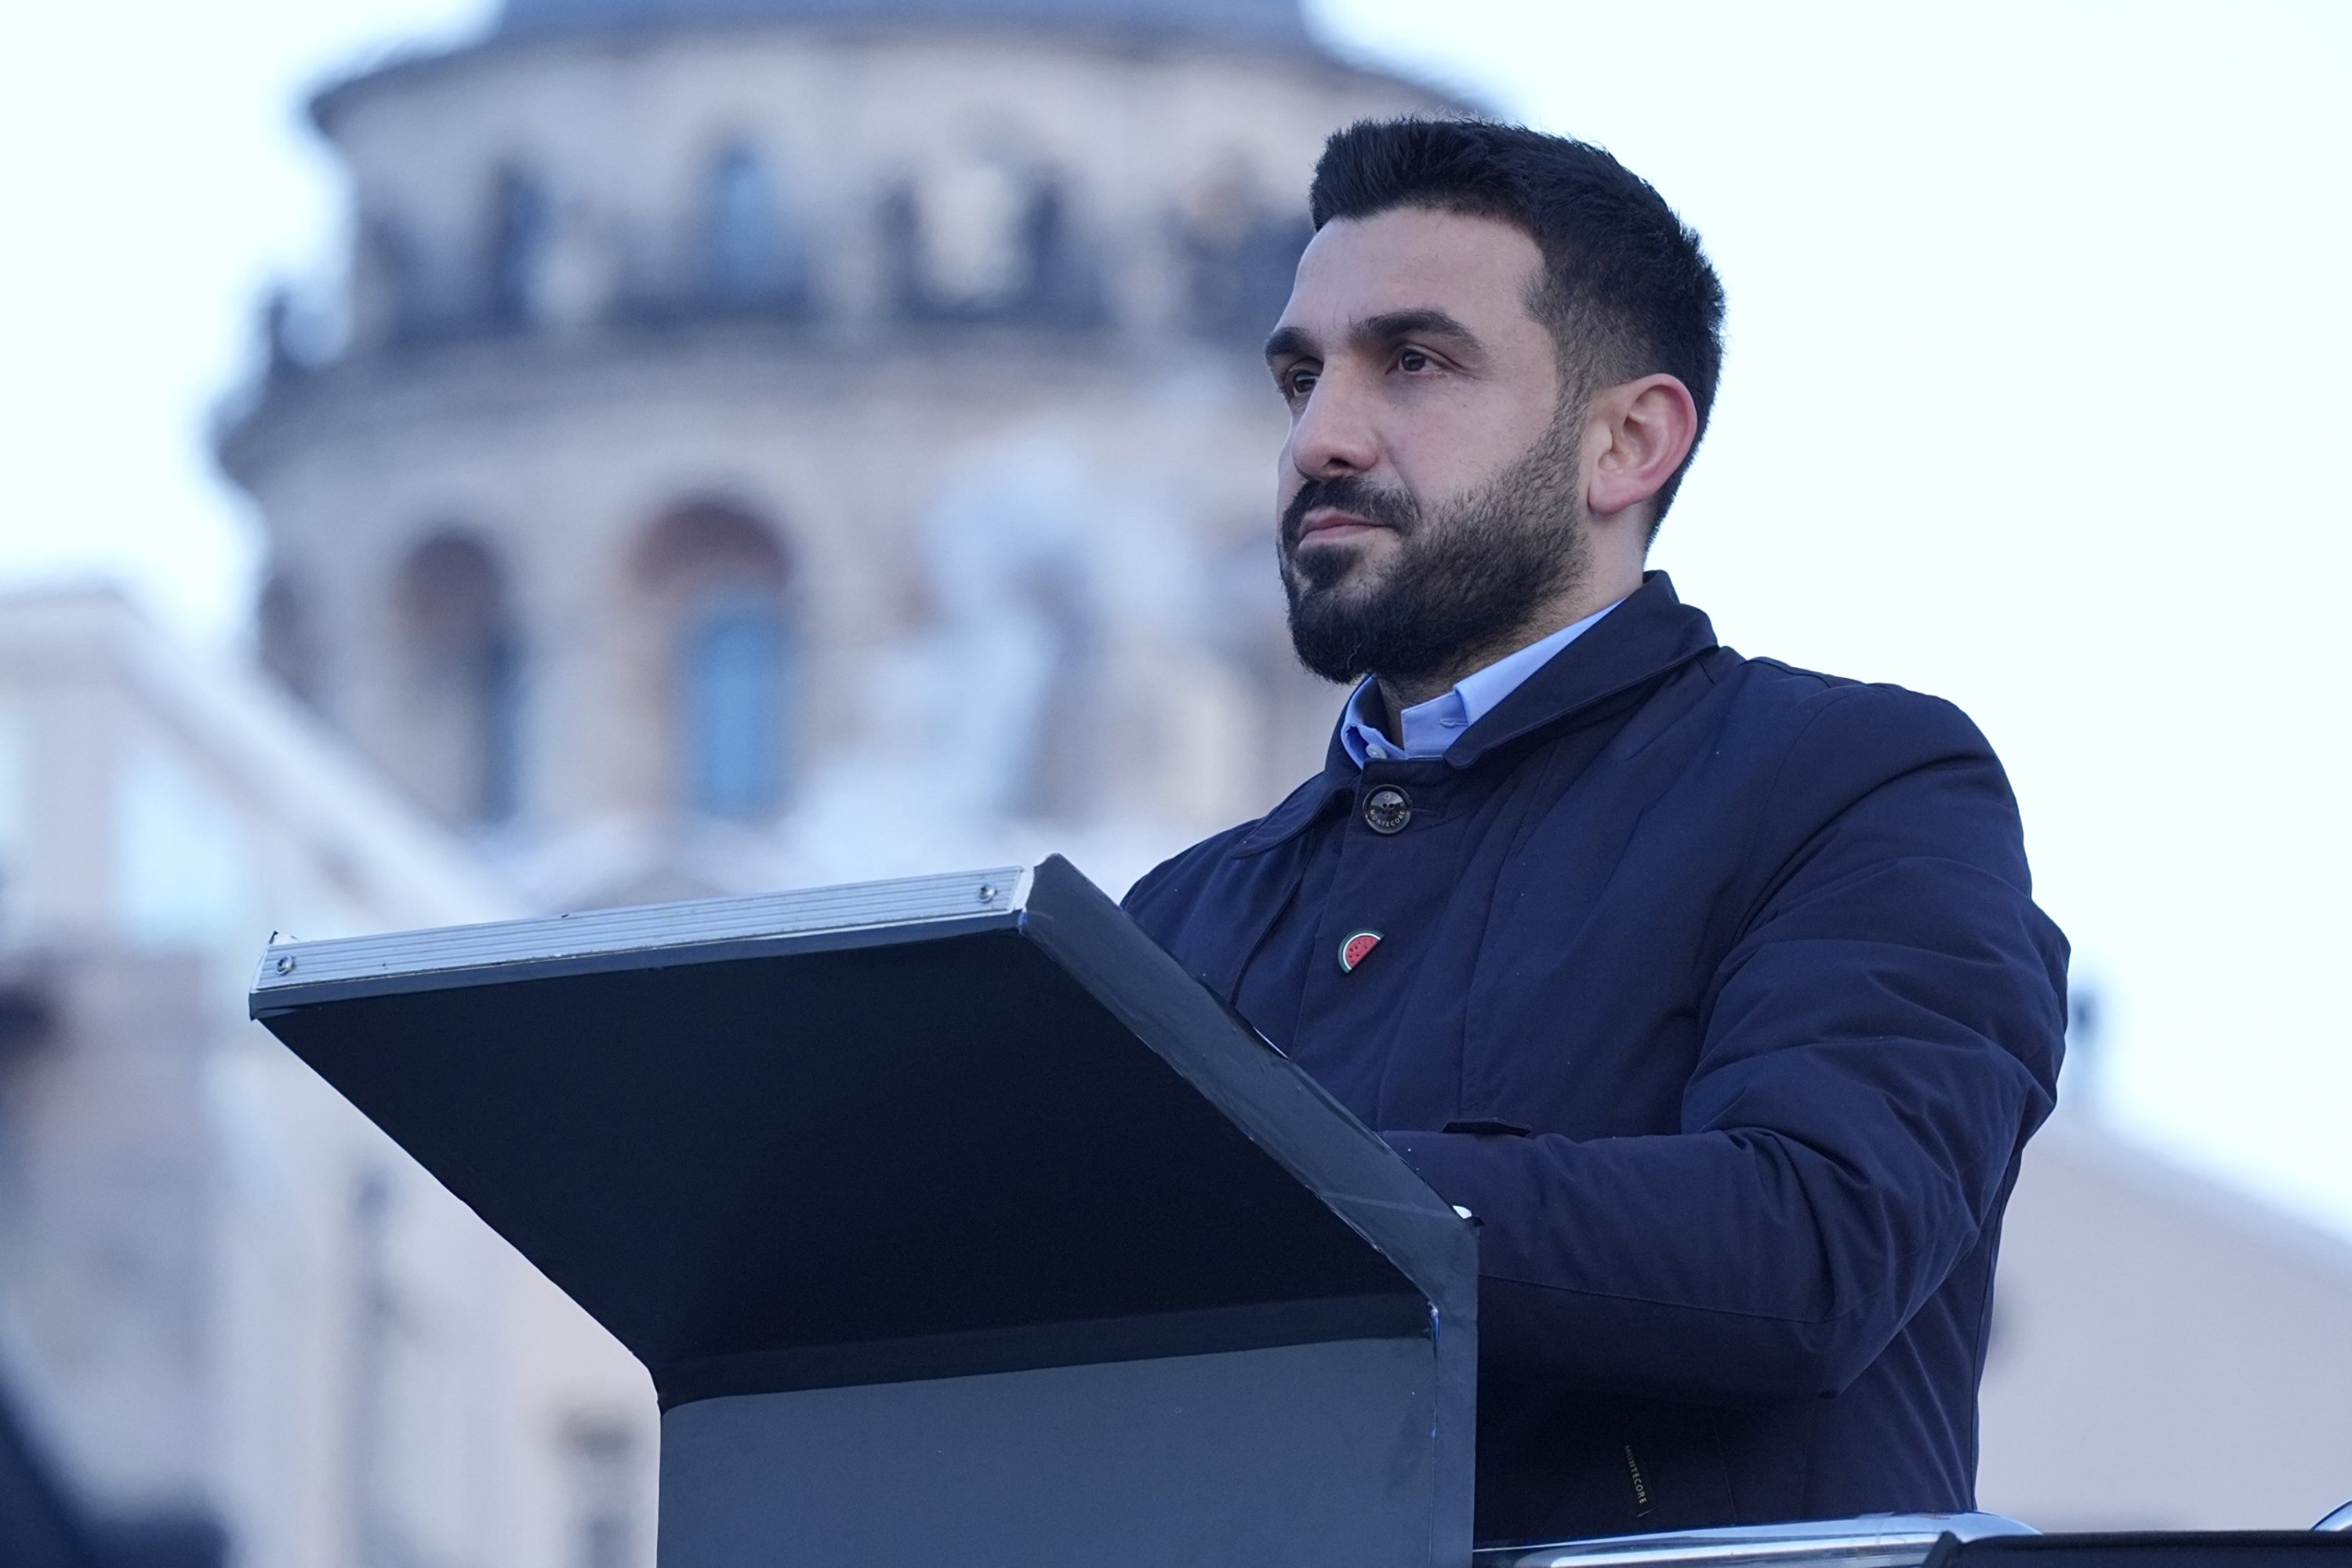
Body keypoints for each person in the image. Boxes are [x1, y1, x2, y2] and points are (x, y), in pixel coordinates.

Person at [1123, 118, 2069, 1547]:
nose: (1320, 434)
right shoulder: (1175, 922)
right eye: (1301, 375)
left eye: (1416, 362)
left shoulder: (1856, 783)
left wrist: (1234, 1193)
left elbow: (1812, 1243)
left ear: (1629, 440)